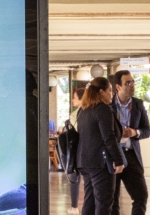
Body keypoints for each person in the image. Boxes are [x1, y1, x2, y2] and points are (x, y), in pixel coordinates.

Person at [77, 77, 125, 215]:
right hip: (100, 163)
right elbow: (108, 137)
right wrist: (119, 160)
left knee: (90, 202)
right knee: (104, 203)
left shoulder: (83, 110)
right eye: (110, 90)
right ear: (102, 92)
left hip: (85, 162)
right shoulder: (102, 109)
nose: (112, 93)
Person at [109, 70, 150, 215]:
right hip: (112, 155)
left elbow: (146, 130)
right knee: (112, 199)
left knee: (141, 195)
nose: (132, 85)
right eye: (128, 83)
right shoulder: (108, 105)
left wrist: (134, 132)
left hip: (131, 154)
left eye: (133, 82)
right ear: (118, 87)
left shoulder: (138, 104)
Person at [67, 87, 85, 215]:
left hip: (78, 151)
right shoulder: (96, 111)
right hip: (90, 151)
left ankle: (74, 207)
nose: (72, 100)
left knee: (75, 178)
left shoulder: (75, 115)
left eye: (74, 97)